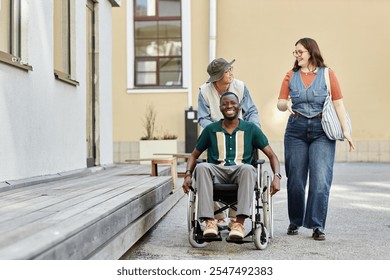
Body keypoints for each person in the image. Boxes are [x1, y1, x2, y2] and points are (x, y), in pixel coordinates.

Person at [277, 38, 355, 241]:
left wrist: (346, 131)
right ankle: (295, 220)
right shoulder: (290, 75)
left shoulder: (328, 74)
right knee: (295, 180)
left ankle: (317, 225)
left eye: (300, 52)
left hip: (322, 131)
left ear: (311, 52)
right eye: (295, 52)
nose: (296, 55)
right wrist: (285, 106)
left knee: (321, 180)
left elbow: (339, 105)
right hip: (296, 129)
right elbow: (280, 103)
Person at [182, 92, 281, 239]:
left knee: (248, 168)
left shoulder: (251, 129)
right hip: (217, 172)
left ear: (239, 106)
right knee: (202, 167)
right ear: (220, 108)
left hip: (241, 172)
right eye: (225, 103)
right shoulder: (210, 129)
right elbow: (194, 155)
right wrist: (188, 174)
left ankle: (238, 223)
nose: (229, 106)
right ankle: (210, 222)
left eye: (233, 103)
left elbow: (272, 155)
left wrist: (277, 176)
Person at [198, 57, 261, 228]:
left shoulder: (240, 87)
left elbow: (251, 111)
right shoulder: (205, 91)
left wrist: (253, 130)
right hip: (214, 136)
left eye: (230, 69)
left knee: (242, 166)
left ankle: (235, 217)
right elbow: (203, 118)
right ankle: (217, 216)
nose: (231, 73)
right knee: (210, 169)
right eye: (227, 71)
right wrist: (216, 131)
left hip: (240, 133)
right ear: (217, 77)